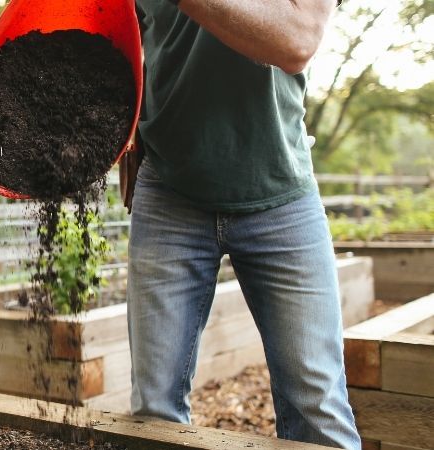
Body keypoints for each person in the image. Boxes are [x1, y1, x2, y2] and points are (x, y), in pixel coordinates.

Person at [120, 0, 361, 449]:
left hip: (280, 195)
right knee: (153, 415)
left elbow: (297, 39)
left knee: (319, 412)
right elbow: (126, 44)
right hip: (170, 192)